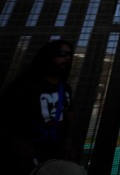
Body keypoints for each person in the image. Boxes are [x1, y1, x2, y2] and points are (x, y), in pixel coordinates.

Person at [0, 39, 77, 175]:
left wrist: (68, 140)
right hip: (24, 156)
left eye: (69, 55)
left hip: (54, 153)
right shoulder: (25, 86)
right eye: (61, 54)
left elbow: (68, 113)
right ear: (48, 56)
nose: (67, 58)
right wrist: (19, 145)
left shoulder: (65, 88)